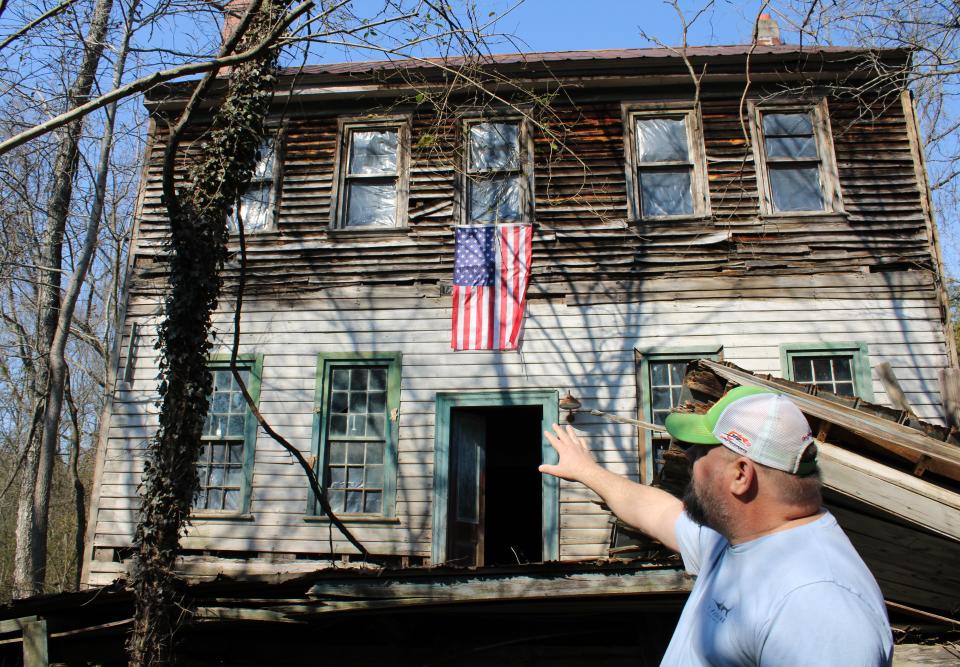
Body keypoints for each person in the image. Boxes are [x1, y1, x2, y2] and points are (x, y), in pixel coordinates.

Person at [540, 385, 894, 666]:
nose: (687, 461)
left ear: (741, 474)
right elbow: (657, 511)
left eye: (699, 453)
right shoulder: (739, 541)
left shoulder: (816, 603)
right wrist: (587, 471)